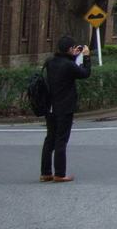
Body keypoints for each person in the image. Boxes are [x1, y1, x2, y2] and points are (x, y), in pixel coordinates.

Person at [41, 35, 91, 183]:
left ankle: (46, 172)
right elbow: (84, 73)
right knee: (61, 140)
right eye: (73, 48)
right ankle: (60, 174)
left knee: (50, 138)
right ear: (70, 49)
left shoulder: (51, 62)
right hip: (64, 107)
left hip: (50, 106)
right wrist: (86, 57)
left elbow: (65, 69)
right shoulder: (68, 65)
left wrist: (72, 57)